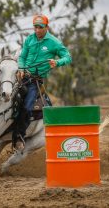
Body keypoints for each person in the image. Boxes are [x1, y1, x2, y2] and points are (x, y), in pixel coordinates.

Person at [14, 14, 72, 150]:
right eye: (35, 27)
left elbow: (68, 57)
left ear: (47, 27)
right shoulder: (29, 39)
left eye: (40, 27)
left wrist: (57, 62)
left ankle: (19, 136)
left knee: (27, 106)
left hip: (35, 81)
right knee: (3, 93)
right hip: (21, 76)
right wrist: (21, 68)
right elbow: (22, 56)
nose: (37, 30)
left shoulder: (54, 42)